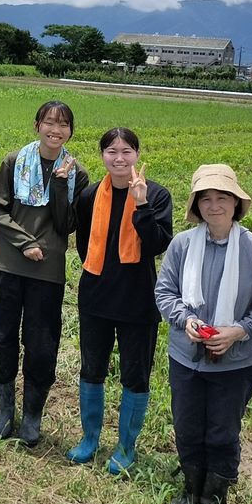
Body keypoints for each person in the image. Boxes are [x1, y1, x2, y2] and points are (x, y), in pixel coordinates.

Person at [154, 164, 252, 504]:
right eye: (206, 199)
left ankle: (214, 496)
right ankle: (191, 488)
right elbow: (165, 291)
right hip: (186, 357)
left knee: (223, 427)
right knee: (187, 424)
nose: (214, 205)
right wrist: (186, 320)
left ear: (236, 203)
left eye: (222, 198)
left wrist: (237, 331)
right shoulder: (183, 244)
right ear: (197, 205)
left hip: (235, 361)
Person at [68, 127, 173, 473]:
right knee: (92, 368)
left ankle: (126, 447)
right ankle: (89, 439)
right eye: (111, 151)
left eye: (126, 151)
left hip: (138, 299)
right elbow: (84, 245)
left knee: (135, 373)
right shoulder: (88, 196)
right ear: (102, 156)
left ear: (137, 155)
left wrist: (140, 203)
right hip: (96, 295)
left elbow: (158, 245)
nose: (119, 158)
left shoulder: (156, 195)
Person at [0, 100, 88, 445]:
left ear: (71, 131)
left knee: (42, 343)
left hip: (48, 270)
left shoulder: (77, 173)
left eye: (63, 125)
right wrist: (24, 241)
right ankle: (4, 410)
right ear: (37, 125)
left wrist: (60, 185)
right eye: (49, 122)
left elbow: (66, 224)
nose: (55, 130)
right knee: (0, 337)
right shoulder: (15, 161)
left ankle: (32, 416)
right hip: (6, 264)